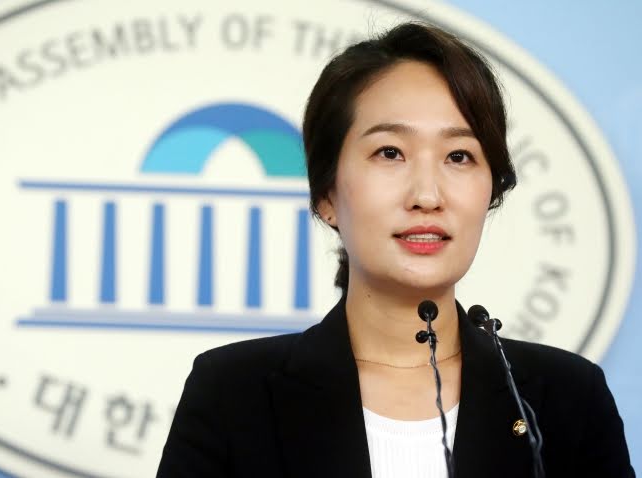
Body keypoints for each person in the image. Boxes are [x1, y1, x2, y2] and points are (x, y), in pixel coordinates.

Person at [156, 22, 634, 477]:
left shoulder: (568, 399)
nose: (427, 195)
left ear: (491, 190)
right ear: (327, 194)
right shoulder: (233, 393)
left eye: (459, 156)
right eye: (390, 153)